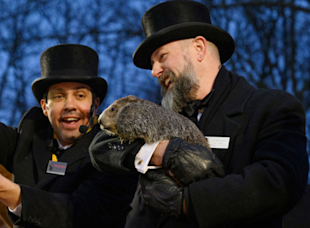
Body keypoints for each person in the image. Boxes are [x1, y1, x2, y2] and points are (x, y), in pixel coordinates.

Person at [89, 1, 309, 228]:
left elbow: (277, 182)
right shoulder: (162, 114)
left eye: (162, 56)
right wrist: (159, 153)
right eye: (153, 64)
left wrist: (184, 202)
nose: (154, 71)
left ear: (198, 48)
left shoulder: (271, 108)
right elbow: (100, 148)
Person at [0, 44, 140, 228]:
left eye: (80, 95)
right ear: (44, 107)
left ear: (95, 105)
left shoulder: (115, 153)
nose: (69, 105)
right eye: (58, 96)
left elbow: (81, 214)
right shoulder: (30, 137)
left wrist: (5, 190)